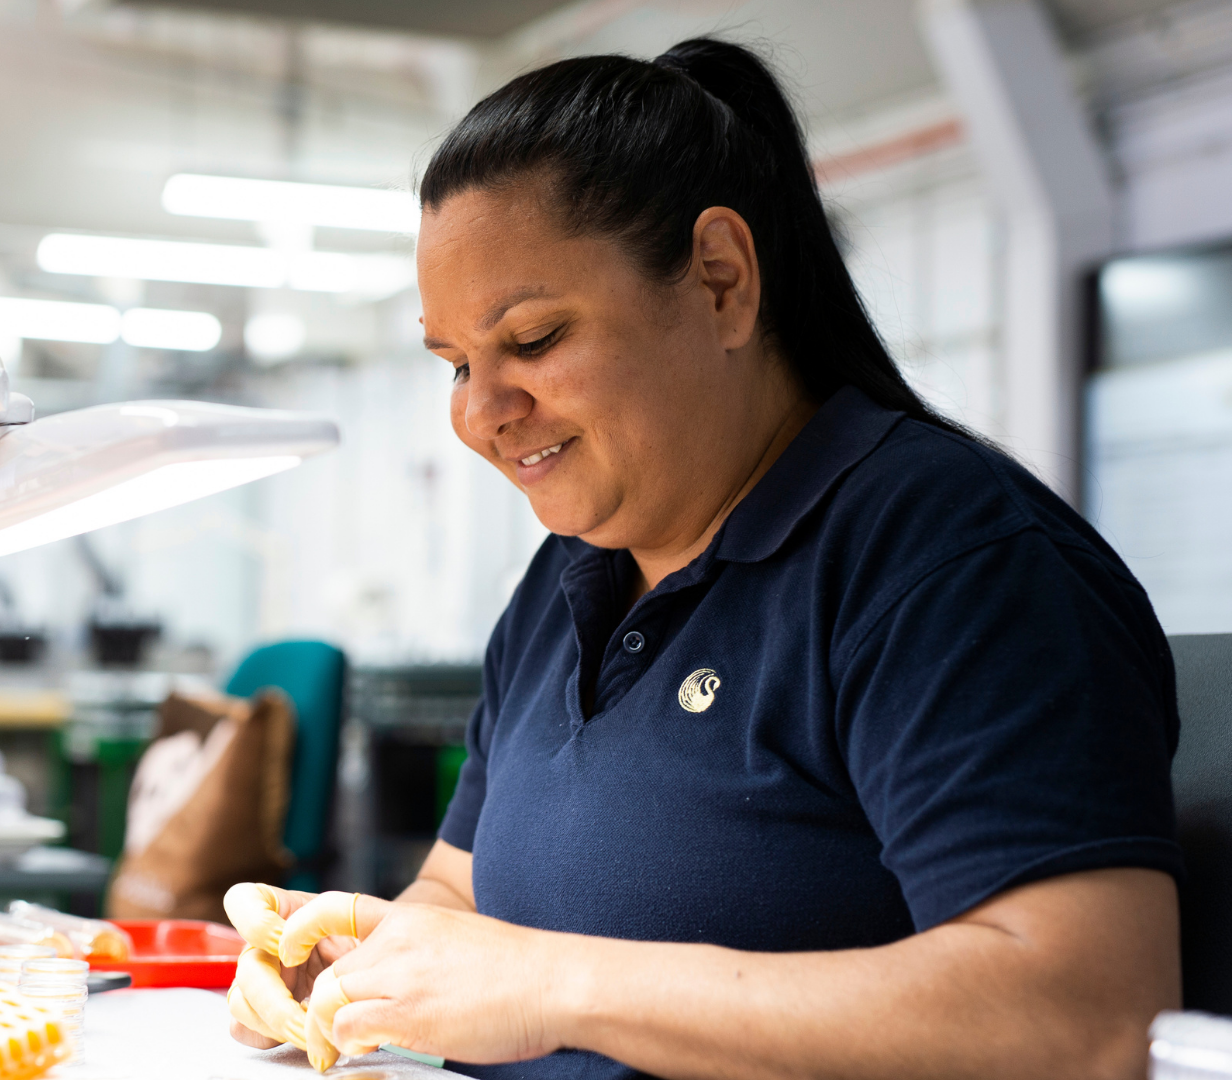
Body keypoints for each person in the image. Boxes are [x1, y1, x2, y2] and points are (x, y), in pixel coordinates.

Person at [226, 38, 1183, 1080]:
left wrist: (548, 986)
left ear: (719, 282)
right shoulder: (563, 583)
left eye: (535, 339)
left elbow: (1083, 1017)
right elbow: (457, 897)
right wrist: (355, 966)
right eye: (457, 363)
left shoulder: (945, 558)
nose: (479, 414)